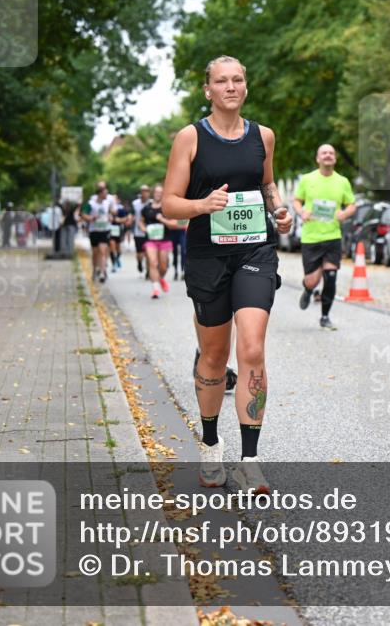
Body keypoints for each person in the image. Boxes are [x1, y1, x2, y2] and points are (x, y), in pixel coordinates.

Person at [162, 55, 292, 494]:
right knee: (215, 357)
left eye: (238, 79)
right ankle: (211, 445)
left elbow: (267, 184)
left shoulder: (264, 136)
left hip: (255, 250)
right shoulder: (190, 137)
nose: (231, 87)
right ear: (208, 90)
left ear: (246, 87)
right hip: (207, 257)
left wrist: (279, 210)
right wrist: (202, 206)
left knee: (252, 347)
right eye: (222, 81)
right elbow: (170, 204)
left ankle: (250, 459)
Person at [293, 144, 356, 330]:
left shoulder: (342, 181)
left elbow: (352, 204)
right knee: (312, 280)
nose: (328, 155)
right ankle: (308, 288)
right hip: (311, 237)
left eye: (331, 153)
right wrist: (301, 212)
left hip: (332, 236)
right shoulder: (307, 179)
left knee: (330, 276)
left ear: (335, 158)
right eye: (324, 153)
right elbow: (296, 201)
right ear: (318, 158)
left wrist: (345, 213)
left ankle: (325, 316)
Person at [140, 185, 177, 298]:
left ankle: (160, 279)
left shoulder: (167, 208)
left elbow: (174, 224)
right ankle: (155, 289)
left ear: (163, 194)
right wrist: (144, 228)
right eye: (156, 192)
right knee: (153, 262)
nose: (158, 194)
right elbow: (140, 222)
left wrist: (162, 219)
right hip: (150, 240)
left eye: (160, 192)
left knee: (163, 267)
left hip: (165, 240)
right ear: (153, 193)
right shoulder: (146, 208)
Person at [81, 181, 116, 283]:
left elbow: (111, 213)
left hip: (105, 229)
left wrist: (110, 217)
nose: (107, 195)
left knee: (103, 250)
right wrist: (91, 218)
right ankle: (94, 269)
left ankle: (102, 272)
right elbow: (83, 214)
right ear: (100, 193)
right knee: (95, 253)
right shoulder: (91, 203)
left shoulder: (107, 203)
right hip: (94, 230)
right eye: (105, 193)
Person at [132, 185, 152, 277]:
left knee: (148, 253)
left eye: (147, 191)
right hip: (138, 232)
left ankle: (148, 271)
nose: (145, 193)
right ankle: (140, 262)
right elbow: (132, 215)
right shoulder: (135, 203)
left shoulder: (151, 203)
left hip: (149, 232)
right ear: (141, 193)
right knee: (140, 253)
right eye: (143, 191)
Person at [109, 198, 130, 272]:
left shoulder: (121, 209)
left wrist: (118, 220)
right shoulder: (107, 207)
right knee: (111, 246)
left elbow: (126, 218)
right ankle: (114, 264)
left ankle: (117, 259)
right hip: (110, 229)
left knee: (118, 248)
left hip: (119, 229)